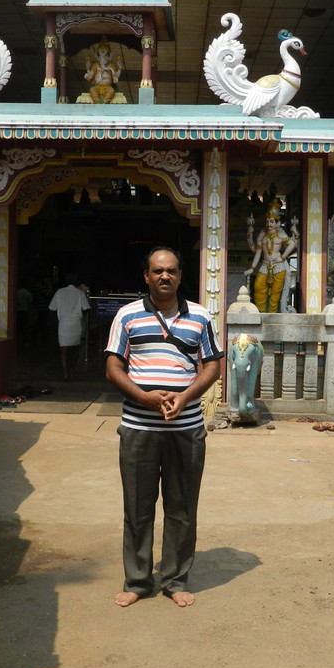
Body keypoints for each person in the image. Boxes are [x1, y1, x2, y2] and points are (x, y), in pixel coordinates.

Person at [104, 247, 223, 608]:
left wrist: (184, 398)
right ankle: (138, 580)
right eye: (157, 271)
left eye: (171, 271)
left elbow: (213, 367)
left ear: (180, 275)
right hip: (138, 428)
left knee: (182, 508)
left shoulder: (200, 317)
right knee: (137, 507)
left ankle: (174, 579)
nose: (164, 277)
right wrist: (144, 397)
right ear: (146, 276)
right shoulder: (127, 316)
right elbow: (113, 367)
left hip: (186, 429)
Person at [245, 199, 298, 313]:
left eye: (272, 221)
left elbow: (293, 244)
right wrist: (252, 268)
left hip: (278, 265)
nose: (269, 224)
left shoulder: (281, 234)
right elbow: (257, 252)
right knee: (258, 287)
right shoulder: (262, 236)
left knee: (275, 293)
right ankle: (261, 312)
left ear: (277, 223)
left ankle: (272, 314)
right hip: (265, 265)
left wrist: (283, 257)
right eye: (268, 221)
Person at [49, 273, 90, 381]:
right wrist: (80, 316)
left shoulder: (59, 292)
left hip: (63, 324)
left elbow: (52, 308)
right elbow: (86, 308)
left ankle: (65, 373)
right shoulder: (80, 293)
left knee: (64, 350)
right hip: (76, 323)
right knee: (75, 349)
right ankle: (72, 370)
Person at [84, 38, 123, 104]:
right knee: (92, 90)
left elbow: (115, 76)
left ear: (109, 56)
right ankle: (97, 102)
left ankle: (105, 102)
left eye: (106, 55)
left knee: (111, 91)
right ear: (97, 56)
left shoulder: (111, 65)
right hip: (97, 86)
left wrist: (119, 69)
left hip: (108, 87)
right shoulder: (95, 65)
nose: (103, 57)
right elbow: (91, 76)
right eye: (100, 55)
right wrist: (87, 70)